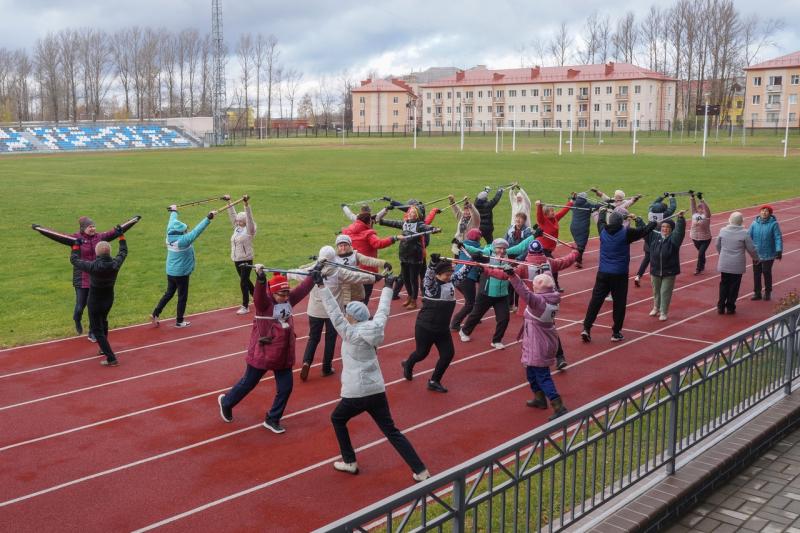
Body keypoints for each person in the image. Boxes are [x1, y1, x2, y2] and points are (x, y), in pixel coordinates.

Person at [318, 272, 431, 482]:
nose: (344, 316)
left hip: (356, 392)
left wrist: (321, 286)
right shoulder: (375, 326)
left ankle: (350, 461)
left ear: (351, 317)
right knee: (392, 431)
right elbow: (383, 311)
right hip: (376, 390)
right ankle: (420, 470)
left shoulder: (349, 333)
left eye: (347, 314)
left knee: (337, 418)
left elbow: (333, 313)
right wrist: (388, 286)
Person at [217, 268, 314, 433]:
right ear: (273, 293)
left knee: (286, 388)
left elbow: (302, 290)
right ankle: (226, 402)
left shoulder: (288, 301)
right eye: (281, 294)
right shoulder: (264, 305)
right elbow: (258, 296)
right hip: (263, 353)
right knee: (248, 383)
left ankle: (272, 418)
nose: (285, 298)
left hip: (283, 354)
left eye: (286, 294)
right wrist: (261, 280)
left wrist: (313, 276)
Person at [33, 214, 138, 339]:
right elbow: (57, 236)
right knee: (80, 306)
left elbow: (116, 231)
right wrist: (40, 229)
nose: (93, 229)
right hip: (81, 278)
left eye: (93, 226)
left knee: (92, 307)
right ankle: (77, 318)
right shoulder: (75, 239)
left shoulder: (100, 237)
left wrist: (133, 221)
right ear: (83, 228)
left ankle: (92, 332)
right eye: (90, 227)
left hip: (95, 278)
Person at [296, 245, 375, 381]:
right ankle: (326, 368)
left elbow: (294, 273)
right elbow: (357, 276)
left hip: (314, 312)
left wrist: (289, 272)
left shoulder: (310, 271)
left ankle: (306, 362)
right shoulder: (339, 272)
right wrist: (373, 277)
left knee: (313, 338)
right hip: (333, 313)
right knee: (330, 340)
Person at [580, 208, 656, 343]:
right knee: (619, 304)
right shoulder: (627, 232)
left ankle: (586, 327)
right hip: (619, 274)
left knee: (595, 301)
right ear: (622, 222)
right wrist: (641, 220)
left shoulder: (602, 230)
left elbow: (601, 220)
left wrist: (602, 211)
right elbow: (644, 230)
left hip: (603, 273)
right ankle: (616, 332)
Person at [505, 269, 568, 420]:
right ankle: (539, 398)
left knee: (542, 375)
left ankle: (558, 405)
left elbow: (523, 291)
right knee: (531, 373)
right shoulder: (552, 297)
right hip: (543, 341)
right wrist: (544, 270)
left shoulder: (538, 302)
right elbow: (545, 281)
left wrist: (513, 276)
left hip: (537, 344)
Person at [401, 255, 463, 393]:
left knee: (448, 354)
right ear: (438, 274)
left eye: (450, 274)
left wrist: (472, 263)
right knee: (422, 353)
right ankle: (408, 364)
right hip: (425, 327)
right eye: (446, 275)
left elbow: (461, 274)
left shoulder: (451, 282)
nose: (449, 276)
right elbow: (428, 277)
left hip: (442, 329)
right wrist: (432, 263)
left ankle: (434, 381)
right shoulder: (431, 287)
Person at [515, 239, 579, 369]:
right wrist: (575, 253)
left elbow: (507, 276)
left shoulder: (523, 266)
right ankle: (559, 356)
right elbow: (565, 261)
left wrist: (486, 269)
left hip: (530, 305)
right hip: (547, 306)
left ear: (529, 252)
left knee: (529, 333)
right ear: (541, 251)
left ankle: (529, 357)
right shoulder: (549, 262)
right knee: (551, 330)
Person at [69, 229, 128, 366]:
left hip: (95, 301)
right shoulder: (115, 264)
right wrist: (121, 236)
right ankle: (103, 349)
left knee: (97, 329)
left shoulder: (92, 266)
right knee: (104, 321)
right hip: (108, 299)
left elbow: (74, 260)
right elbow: (123, 252)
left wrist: (76, 246)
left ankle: (111, 358)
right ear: (109, 252)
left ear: (97, 253)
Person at [151, 206, 214, 328]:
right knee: (182, 297)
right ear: (181, 232)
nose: (186, 231)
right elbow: (197, 231)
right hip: (181, 274)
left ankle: (155, 313)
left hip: (170, 271)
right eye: (185, 230)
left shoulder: (169, 234)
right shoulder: (183, 241)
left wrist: (174, 211)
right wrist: (208, 218)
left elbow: (172, 222)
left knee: (169, 293)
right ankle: (179, 321)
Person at [377, 204, 438, 309]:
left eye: (413, 213)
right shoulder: (404, 223)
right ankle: (409, 297)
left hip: (415, 256)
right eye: (409, 212)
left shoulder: (419, 225)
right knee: (405, 278)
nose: (410, 214)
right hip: (404, 255)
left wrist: (433, 229)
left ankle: (414, 300)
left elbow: (426, 227)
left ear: (417, 215)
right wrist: (381, 220)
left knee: (413, 279)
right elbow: (392, 223)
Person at [459, 238, 512, 349]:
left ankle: (496, 340)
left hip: (502, 294)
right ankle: (464, 331)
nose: (501, 251)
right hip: (486, 292)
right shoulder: (487, 254)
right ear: (493, 247)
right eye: (499, 248)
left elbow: (521, 246)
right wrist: (462, 245)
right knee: (476, 315)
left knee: (504, 318)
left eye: (504, 248)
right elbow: (474, 250)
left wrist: (533, 237)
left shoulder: (508, 256)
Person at [341, 212, 401, 304]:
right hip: (367, 268)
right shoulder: (368, 234)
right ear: (368, 221)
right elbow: (378, 243)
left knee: (351, 294)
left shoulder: (347, 231)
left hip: (350, 268)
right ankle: (362, 314)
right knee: (365, 295)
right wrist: (394, 238)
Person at [646, 212, 686, 321]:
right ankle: (656, 307)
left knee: (665, 292)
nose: (665, 229)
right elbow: (645, 231)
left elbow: (680, 231)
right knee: (656, 291)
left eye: (668, 227)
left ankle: (663, 312)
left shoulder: (674, 240)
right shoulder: (655, 236)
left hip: (669, 271)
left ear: (672, 229)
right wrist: (637, 220)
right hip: (655, 270)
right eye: (663, 226)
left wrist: (680, 219)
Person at [717, 212, 759, 314]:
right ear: (741, 221)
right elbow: (751, 249)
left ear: (730, 220)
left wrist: (721, 254)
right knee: (734, 286)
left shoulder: (723, 231)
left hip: (725, 263)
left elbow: (717, 245)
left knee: (724, 284)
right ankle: (730, 307)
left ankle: (721, 306)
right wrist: (755, 258)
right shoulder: (744, 233)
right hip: (737, 264)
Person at [634, 193, 677, 287]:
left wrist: (662, 196)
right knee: (659, 260)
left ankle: (638, 276)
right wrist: (671, 198)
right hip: (658, 241)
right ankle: (660, 278)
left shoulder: (650, 211)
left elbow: (654, 203)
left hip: (648, 239)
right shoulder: (664, 215)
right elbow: (673, 207)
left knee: (646, 259)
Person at [227, 194, 257, 315]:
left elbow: (249, 217)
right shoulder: (237, 227)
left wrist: (246, 205)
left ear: (245, 221)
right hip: (236, 258)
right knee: (245, 280)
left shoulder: (249, 229)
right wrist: (229, 202)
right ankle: (258, 297)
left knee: (243, 282)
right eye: (237, 221)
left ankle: (245, 306)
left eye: (240, 221)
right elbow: (232, 215)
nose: (238, 222)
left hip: (246, 258)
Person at [534, 199, 573, 292]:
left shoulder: (555, 218)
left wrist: (571, 202)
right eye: (551, 211)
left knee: (543, 268)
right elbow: (539, 215)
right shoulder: (542, 220)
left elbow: (563, 211)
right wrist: (539, 206)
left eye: (553, 210)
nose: (553, 212)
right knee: (554, 267)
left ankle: (543, 285)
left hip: (549, 249)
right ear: (546, 213)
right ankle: (555, 286)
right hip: (542, 249)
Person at [450, 228, 483, 332]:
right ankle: (455, 323)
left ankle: (474, 317)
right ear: (479, 238)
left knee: (472, 300)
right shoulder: (478, 250)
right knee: (470, 303)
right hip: (467, 279)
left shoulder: (462, 246)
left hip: (456, 277)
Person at [748, 205, 783, 301]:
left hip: (769, 253)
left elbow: (777, 237)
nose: (764, 212)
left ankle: (768, 292)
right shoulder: (754, 223)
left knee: (766, 272)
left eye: (767, 211)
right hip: (756, 254)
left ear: (770, 213)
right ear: (760, 212)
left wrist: (779, 249)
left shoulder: (774, 224)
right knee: (756, 273)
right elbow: (748, 236)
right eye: (763, 210)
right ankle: (757, 293)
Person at [505, 212, 533, 310]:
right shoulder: (510, 229)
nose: (518, 220)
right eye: (517, 218)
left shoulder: (527, 232)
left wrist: (520, 258)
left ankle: (517, 304)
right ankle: (509, 304)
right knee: (510, 281)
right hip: (510, 258)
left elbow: (527, 248)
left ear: (524, 221)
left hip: (520, 259)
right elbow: (505, 242)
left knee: (518, 281)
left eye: (520, 219)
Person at [568, 192, 602, 268]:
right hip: (583, 228)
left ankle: (578, 258)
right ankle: (577, 261)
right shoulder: (587, 205)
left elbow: (569, 201)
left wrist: (573, 198)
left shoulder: (574, 204)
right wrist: (604, 204)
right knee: (581, 246)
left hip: (573, 227)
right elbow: (597, 206)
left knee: (579, 245)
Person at [690, 192, 712, 275]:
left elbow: (707, 209)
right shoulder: (694, 214)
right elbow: (692, 206)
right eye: (699, 208)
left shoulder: (706, 216)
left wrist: (701, 199)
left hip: (705, 239)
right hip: (695, 238)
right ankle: (702, 264)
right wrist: (692, 197)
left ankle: (698, 269)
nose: (701, 210)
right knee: (701, 253)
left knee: (700, 254)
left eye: (702, 209)